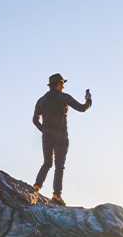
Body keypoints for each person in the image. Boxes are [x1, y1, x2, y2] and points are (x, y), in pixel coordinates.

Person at [32, 73, 92, 205]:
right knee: (59, 166)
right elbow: (82, 108)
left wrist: (45, 131)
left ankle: (36, 187)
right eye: (62, 84)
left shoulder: (41, 100)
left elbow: (34, 120)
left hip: (47, 136)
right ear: (59, 85)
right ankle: (56, 195)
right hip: (61, 136)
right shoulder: (64, 97)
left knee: (47, 163)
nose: (63, 87)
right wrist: (89, 100)